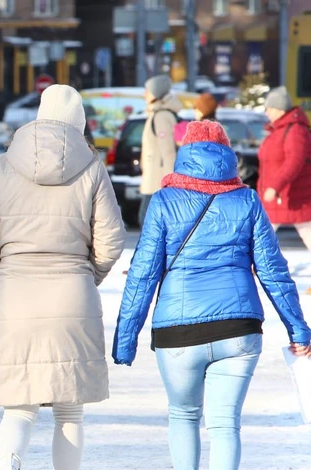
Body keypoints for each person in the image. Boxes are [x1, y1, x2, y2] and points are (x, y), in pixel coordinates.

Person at [113, 120, 311, 470]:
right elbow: (273, 270)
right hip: (239, 328)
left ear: (184, 154)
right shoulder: (247, 200)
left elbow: (142, 275)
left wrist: (125, 341)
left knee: (183, 416)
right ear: (228, 155)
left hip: (178, 331)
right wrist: (298, 329)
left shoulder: (164, 201)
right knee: (224, 425)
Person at [0, 84, 126, 470]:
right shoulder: (92, 168)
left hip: (13, 296)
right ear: (80, 123)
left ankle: (9, 464)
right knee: (70, 411)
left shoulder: (3, 165)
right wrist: (88, 274)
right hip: (72, 294)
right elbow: (112, 240)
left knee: (18, 409)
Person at [257, 86, 311, 251]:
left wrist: (275, 186)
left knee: (264, 232)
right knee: (264, 232)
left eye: (269, 108)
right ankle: (252, 266)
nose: (267, 112)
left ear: (279, 109)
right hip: (281, 195)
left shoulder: (295, 131)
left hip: (292, 194)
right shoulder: (278, 131)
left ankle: (251, 266)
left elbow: (294, 161)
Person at [139, 75, 181, 226]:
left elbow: (168, 152)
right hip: (154, 179)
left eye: (147, 91)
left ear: (155, 94)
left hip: (157, 182)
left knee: (147, 221)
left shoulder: (161, 116)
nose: (144, 94)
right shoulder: (156, 114)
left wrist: (171, 183)